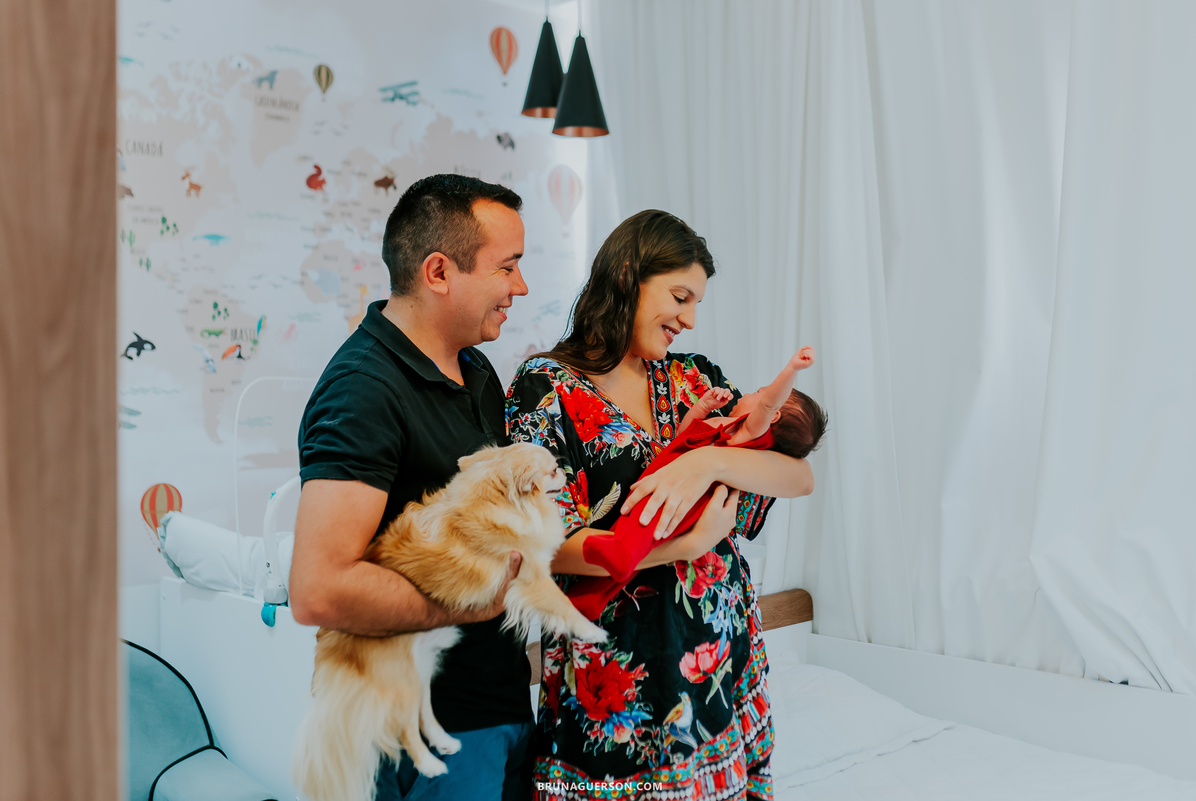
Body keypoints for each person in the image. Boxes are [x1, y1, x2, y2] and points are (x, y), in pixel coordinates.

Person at [506, 209, 815, 800]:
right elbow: (543, 547)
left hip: (719, 665)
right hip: (614, 675)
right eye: (680, 296)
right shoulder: (546, 389)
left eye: (696, 303)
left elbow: (797, 476)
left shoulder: (696, 381)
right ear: (627, 274)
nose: (689, 319)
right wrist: (689, 544)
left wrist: (710, 462)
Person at [290, 174, 535, 801]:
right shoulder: (363, 391)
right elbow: (318, 590)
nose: (520, 288)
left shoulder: (476, 370)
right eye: (507, 268)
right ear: (438, 272)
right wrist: (470, 603)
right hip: (422, 733)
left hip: (497, 708)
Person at [569, 347, 828, 618]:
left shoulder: (747, 435)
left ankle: (619, 555)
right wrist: (703, 407)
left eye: (759, 392)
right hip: (660, 483)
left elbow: (770, 404)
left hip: (683, 499)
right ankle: (587, 597)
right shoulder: (723, 422)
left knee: (637, 534)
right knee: (627, 540)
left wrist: (791, 369)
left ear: (772, 416)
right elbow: (683, 437)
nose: (750, 393)